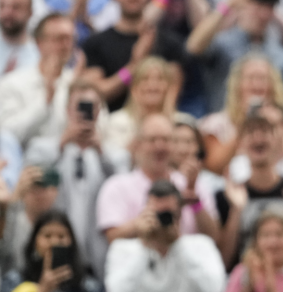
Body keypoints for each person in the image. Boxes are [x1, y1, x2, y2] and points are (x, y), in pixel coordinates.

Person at [25, 80, 124, 276]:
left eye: (92, 107)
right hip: (52, 254)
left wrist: (101, 153)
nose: (85, 113)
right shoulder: (42, 149)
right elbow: (33, 188)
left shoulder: (115, 157)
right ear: (67, 109)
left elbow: (123, 194)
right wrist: (61, 145)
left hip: (97, 259)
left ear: (100, 111)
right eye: (80, 105)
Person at [216, 105, 283, 266]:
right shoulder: (227, 196)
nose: (258, 138)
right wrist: (236, 211)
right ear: (241, 143)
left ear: (278, 139)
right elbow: (224, 260)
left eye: (265, 131)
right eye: (251, 132)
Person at [96, 114, 218, 245]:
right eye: (152, 140)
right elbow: (111, 238)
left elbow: (214, 239)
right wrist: (141, 223)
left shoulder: (192, 184)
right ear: (138, 144)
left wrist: (195, 203)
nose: (159, 147)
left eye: (166, 140)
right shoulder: (117, 186)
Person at [80, 0, 186, 112]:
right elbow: (99, 93)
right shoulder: (96, 43)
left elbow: (172, 93)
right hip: (113, 124)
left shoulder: (170, 43)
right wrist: (134, 66)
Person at [186, 0, 283, 113]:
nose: (263, 14)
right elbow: (193, 47)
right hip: (222, 127)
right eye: (257, 4)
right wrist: (227, 6)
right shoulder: (223, 45)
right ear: (242, 5)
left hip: (265, 128)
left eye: (269, 6)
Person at [197, 53, 283, 174]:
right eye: (251, 78)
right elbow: (213, 166)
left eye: (263, 79)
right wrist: (245, 124)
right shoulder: (216, 124)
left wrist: (273, 125)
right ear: (237, 85)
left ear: (273, 86)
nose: (257, 85)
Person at [0, 14, 78, 144]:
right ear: (39, 43)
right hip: (25, 161)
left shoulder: (77, 83)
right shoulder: (12, 83)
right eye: (59, 39)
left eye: (70, 39)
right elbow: (6, 134)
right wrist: (45, 101)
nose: (66, 45)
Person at [102, 56, 179, 154]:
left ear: (169, 87)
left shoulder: (181, 123)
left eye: (160, 79)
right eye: (145, 79)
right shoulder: (116, 122)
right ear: (134, 87)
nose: (152, 85)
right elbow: (115, 163)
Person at [0, 165, 59, 274]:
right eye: (33, 187)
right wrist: (13, 201)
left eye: (44, 187)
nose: (39, 194)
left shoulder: (62, 225)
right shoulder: (12, 221)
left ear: (55, 190)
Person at [0, 0, 39, 75]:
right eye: (2, 6)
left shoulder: (39, 53)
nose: (7, 12)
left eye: (16, 7)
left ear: (30, 12)